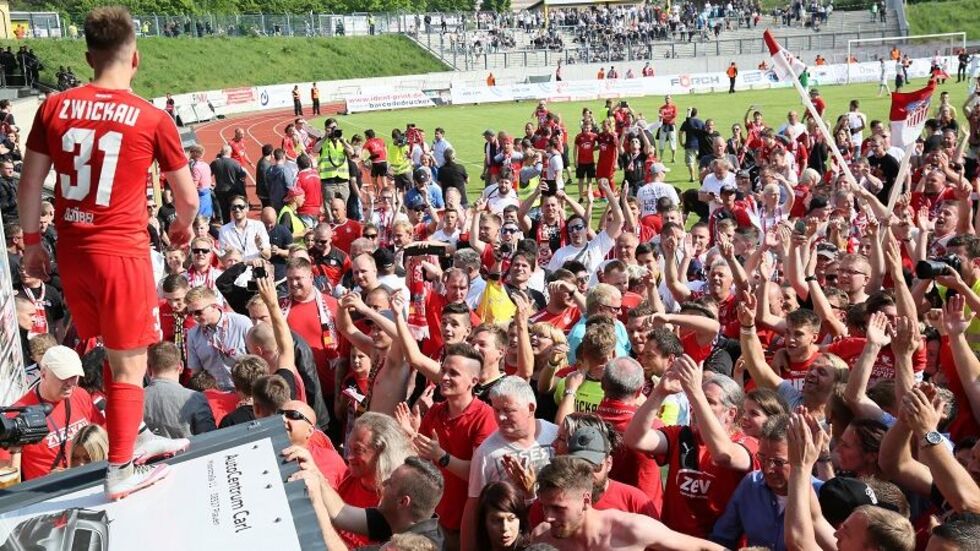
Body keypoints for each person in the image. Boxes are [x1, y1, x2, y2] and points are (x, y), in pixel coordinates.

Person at [17, 7, 198, 499]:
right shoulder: (152, 117)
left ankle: (134, 431)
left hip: (73, 250)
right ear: (134, 58)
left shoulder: (54, 106)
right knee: (131, 364)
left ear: (87, 57)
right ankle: (120, 470)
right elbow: (187, 199)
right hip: (120, 253)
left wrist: (32, 244)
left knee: (115, 352)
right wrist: (182, 227)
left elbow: (29, 183)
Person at [531, 456, 726, 550]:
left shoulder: (631, 530)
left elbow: (703, 548)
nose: (548, 517)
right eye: (545, 507)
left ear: (586, 500)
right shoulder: (543, 539)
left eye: (558, 508)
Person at [143, 341, 216, 439]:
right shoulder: (195, 399)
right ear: (181, 366)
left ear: (148, 368)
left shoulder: (136, 400)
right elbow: (210, 439)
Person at [185, 286, 252, 391]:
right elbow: (196, 372)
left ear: (214, 306)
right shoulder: (193, 334)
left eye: (198, 312)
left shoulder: (242, 323)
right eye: (190, 313)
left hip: (244, 390)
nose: (194, 317)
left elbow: (257, 361)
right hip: (214, 392)